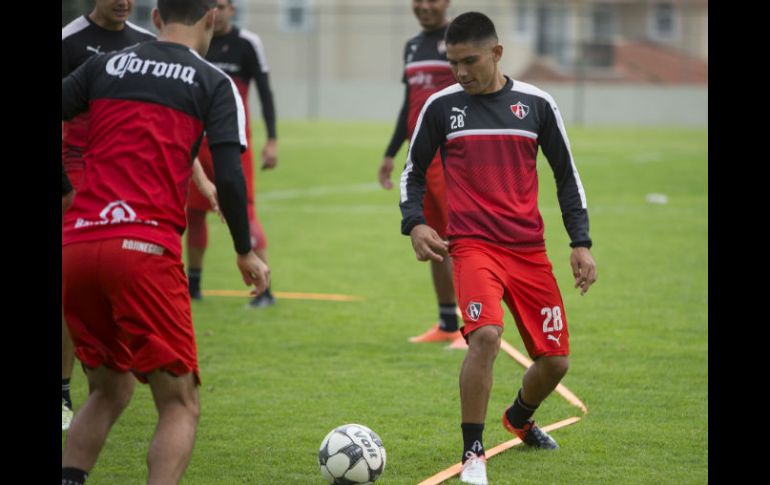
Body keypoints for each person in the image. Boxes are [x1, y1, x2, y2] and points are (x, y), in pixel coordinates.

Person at [60, 1, 270, 483]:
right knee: (179, 404)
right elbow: (232, 180)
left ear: (155, 17)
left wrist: (65, 189)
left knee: (109, 389)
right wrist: (244, 248)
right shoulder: (213, 82)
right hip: (142, 251)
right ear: (211, 18)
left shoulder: (105, 64)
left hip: (76, 246)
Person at [399, 12, 597, 485]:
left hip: (528, 249)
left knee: (556, 361)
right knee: (485, 335)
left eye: (469, 61)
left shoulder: (537, 104)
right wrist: (416, 224)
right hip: (472, 247)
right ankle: (473, 453)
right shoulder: (442, 107)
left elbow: (566, 175)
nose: (461, 72)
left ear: (497, 53)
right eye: (453, 63)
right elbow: (413, 172)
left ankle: (520, 418)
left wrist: (580, 243)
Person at [61, 0, 156, 431]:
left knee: (117, 275)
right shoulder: (69, 42)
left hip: (123, 178)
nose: (123, 1)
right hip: (74, 169)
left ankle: (107, 378)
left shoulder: (146, 45)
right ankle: (63, 390)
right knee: (71, 283)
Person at [379, 0, 464, 348]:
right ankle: (447, 323)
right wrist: (390, 151)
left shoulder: (459, 40)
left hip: (453, 156)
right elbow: (408, 103)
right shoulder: (412, 46)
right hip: (421, 157)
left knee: (460, 240)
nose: (424, 6)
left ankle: (472, 323)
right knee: (432, 238)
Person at [185, 0, 279, 308]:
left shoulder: (247, 43)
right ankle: (193, 285)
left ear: (232, 10)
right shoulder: (195, 40)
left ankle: (265, 290)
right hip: (198, 141)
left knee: (245, 210)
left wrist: (272, 140)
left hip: (234, 141)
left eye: (224, 5)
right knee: (193, 212)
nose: (218, 11)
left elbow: (264, 91)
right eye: (214, 5)